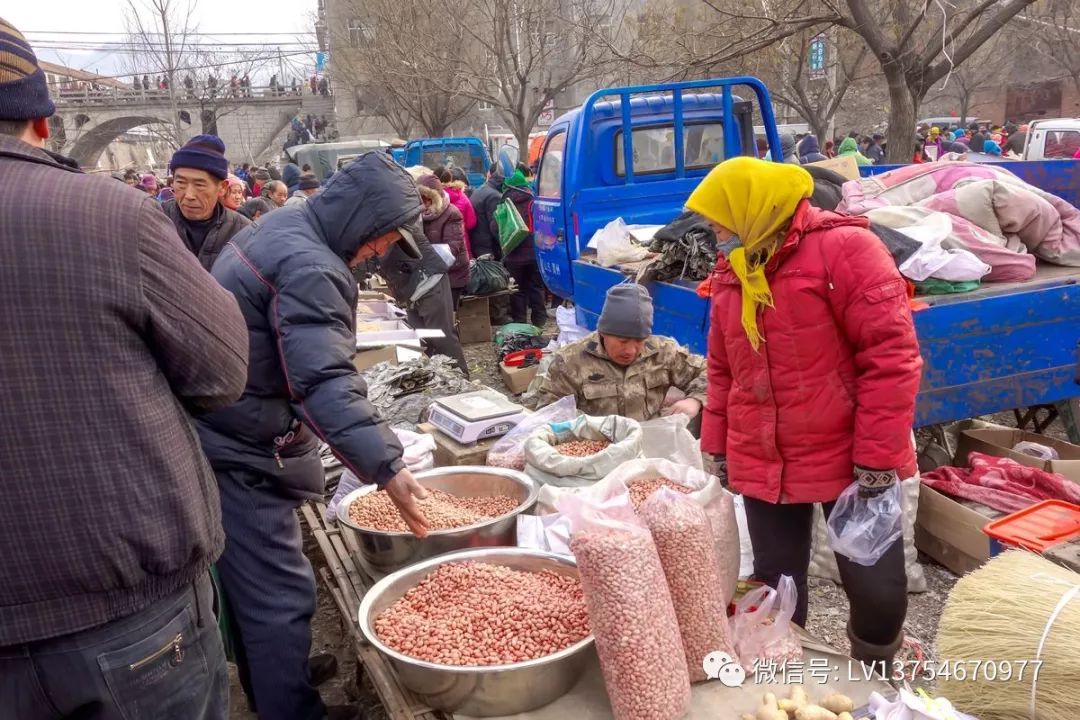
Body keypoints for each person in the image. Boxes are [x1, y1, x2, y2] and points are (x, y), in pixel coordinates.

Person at [0, 17, 249, 716]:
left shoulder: (226, 230)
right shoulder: (112, 218)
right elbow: (222, 373)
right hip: (122, 623)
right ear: (44, 124)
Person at [199, 152, 433, 720]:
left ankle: (280, 682)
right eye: (383, 239)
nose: (380, 252)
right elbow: (322, 379)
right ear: (362, 220)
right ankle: (292, 709)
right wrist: (387, 467)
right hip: (244, 448)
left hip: (228, 427)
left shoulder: (287, 224)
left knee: (260, 595)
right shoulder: (312, 265)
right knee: (278, 597)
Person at [688, 157, 920, 673]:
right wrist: (718, 445)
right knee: (776, 587)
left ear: (753, 208)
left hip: (850, 458)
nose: (714, 232)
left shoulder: (846, 249)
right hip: (765, 455)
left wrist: (878, 458)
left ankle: (876, 675)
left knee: (878, 595)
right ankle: (792, 678)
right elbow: (723, 370)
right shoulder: (733, 269)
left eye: (719, 219)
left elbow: (891, 360)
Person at [533, 283, 706, 421]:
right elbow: (549, 413)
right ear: (603, 332)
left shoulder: (663, 352)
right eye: (622, 341)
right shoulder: (571, 361)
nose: (630, 350)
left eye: (639, 341)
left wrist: (695, 400)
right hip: (597, 450)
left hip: (648, 444)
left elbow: (712, 374)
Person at [161, 135, 250, 271]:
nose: (189, 195)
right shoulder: (155, 219)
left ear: (222, 188)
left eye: (199, 185)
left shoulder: (243, 231)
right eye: (181, 183)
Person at [499, 168, 547, 326]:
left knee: (518, 290)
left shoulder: (505, 203)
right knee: (536, 287)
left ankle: (520, 321)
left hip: (514, 254)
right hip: (535, 252)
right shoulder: (534, 201)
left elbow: (496, 227)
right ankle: (539, 320)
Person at [417, 174, 470, 307]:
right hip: (430, 272)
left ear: (435, 197)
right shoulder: (418, 215)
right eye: (420, 197)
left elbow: (453, 248)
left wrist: (425, 258)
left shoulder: (452, 213)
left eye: (427, 197)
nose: (423, 202)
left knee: (445, 314)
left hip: (452, 274)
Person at [437, 165, 477, 258]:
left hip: (439, 247)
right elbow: (471, 223)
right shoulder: (463, 197)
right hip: (462, 244)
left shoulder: (435, 197)